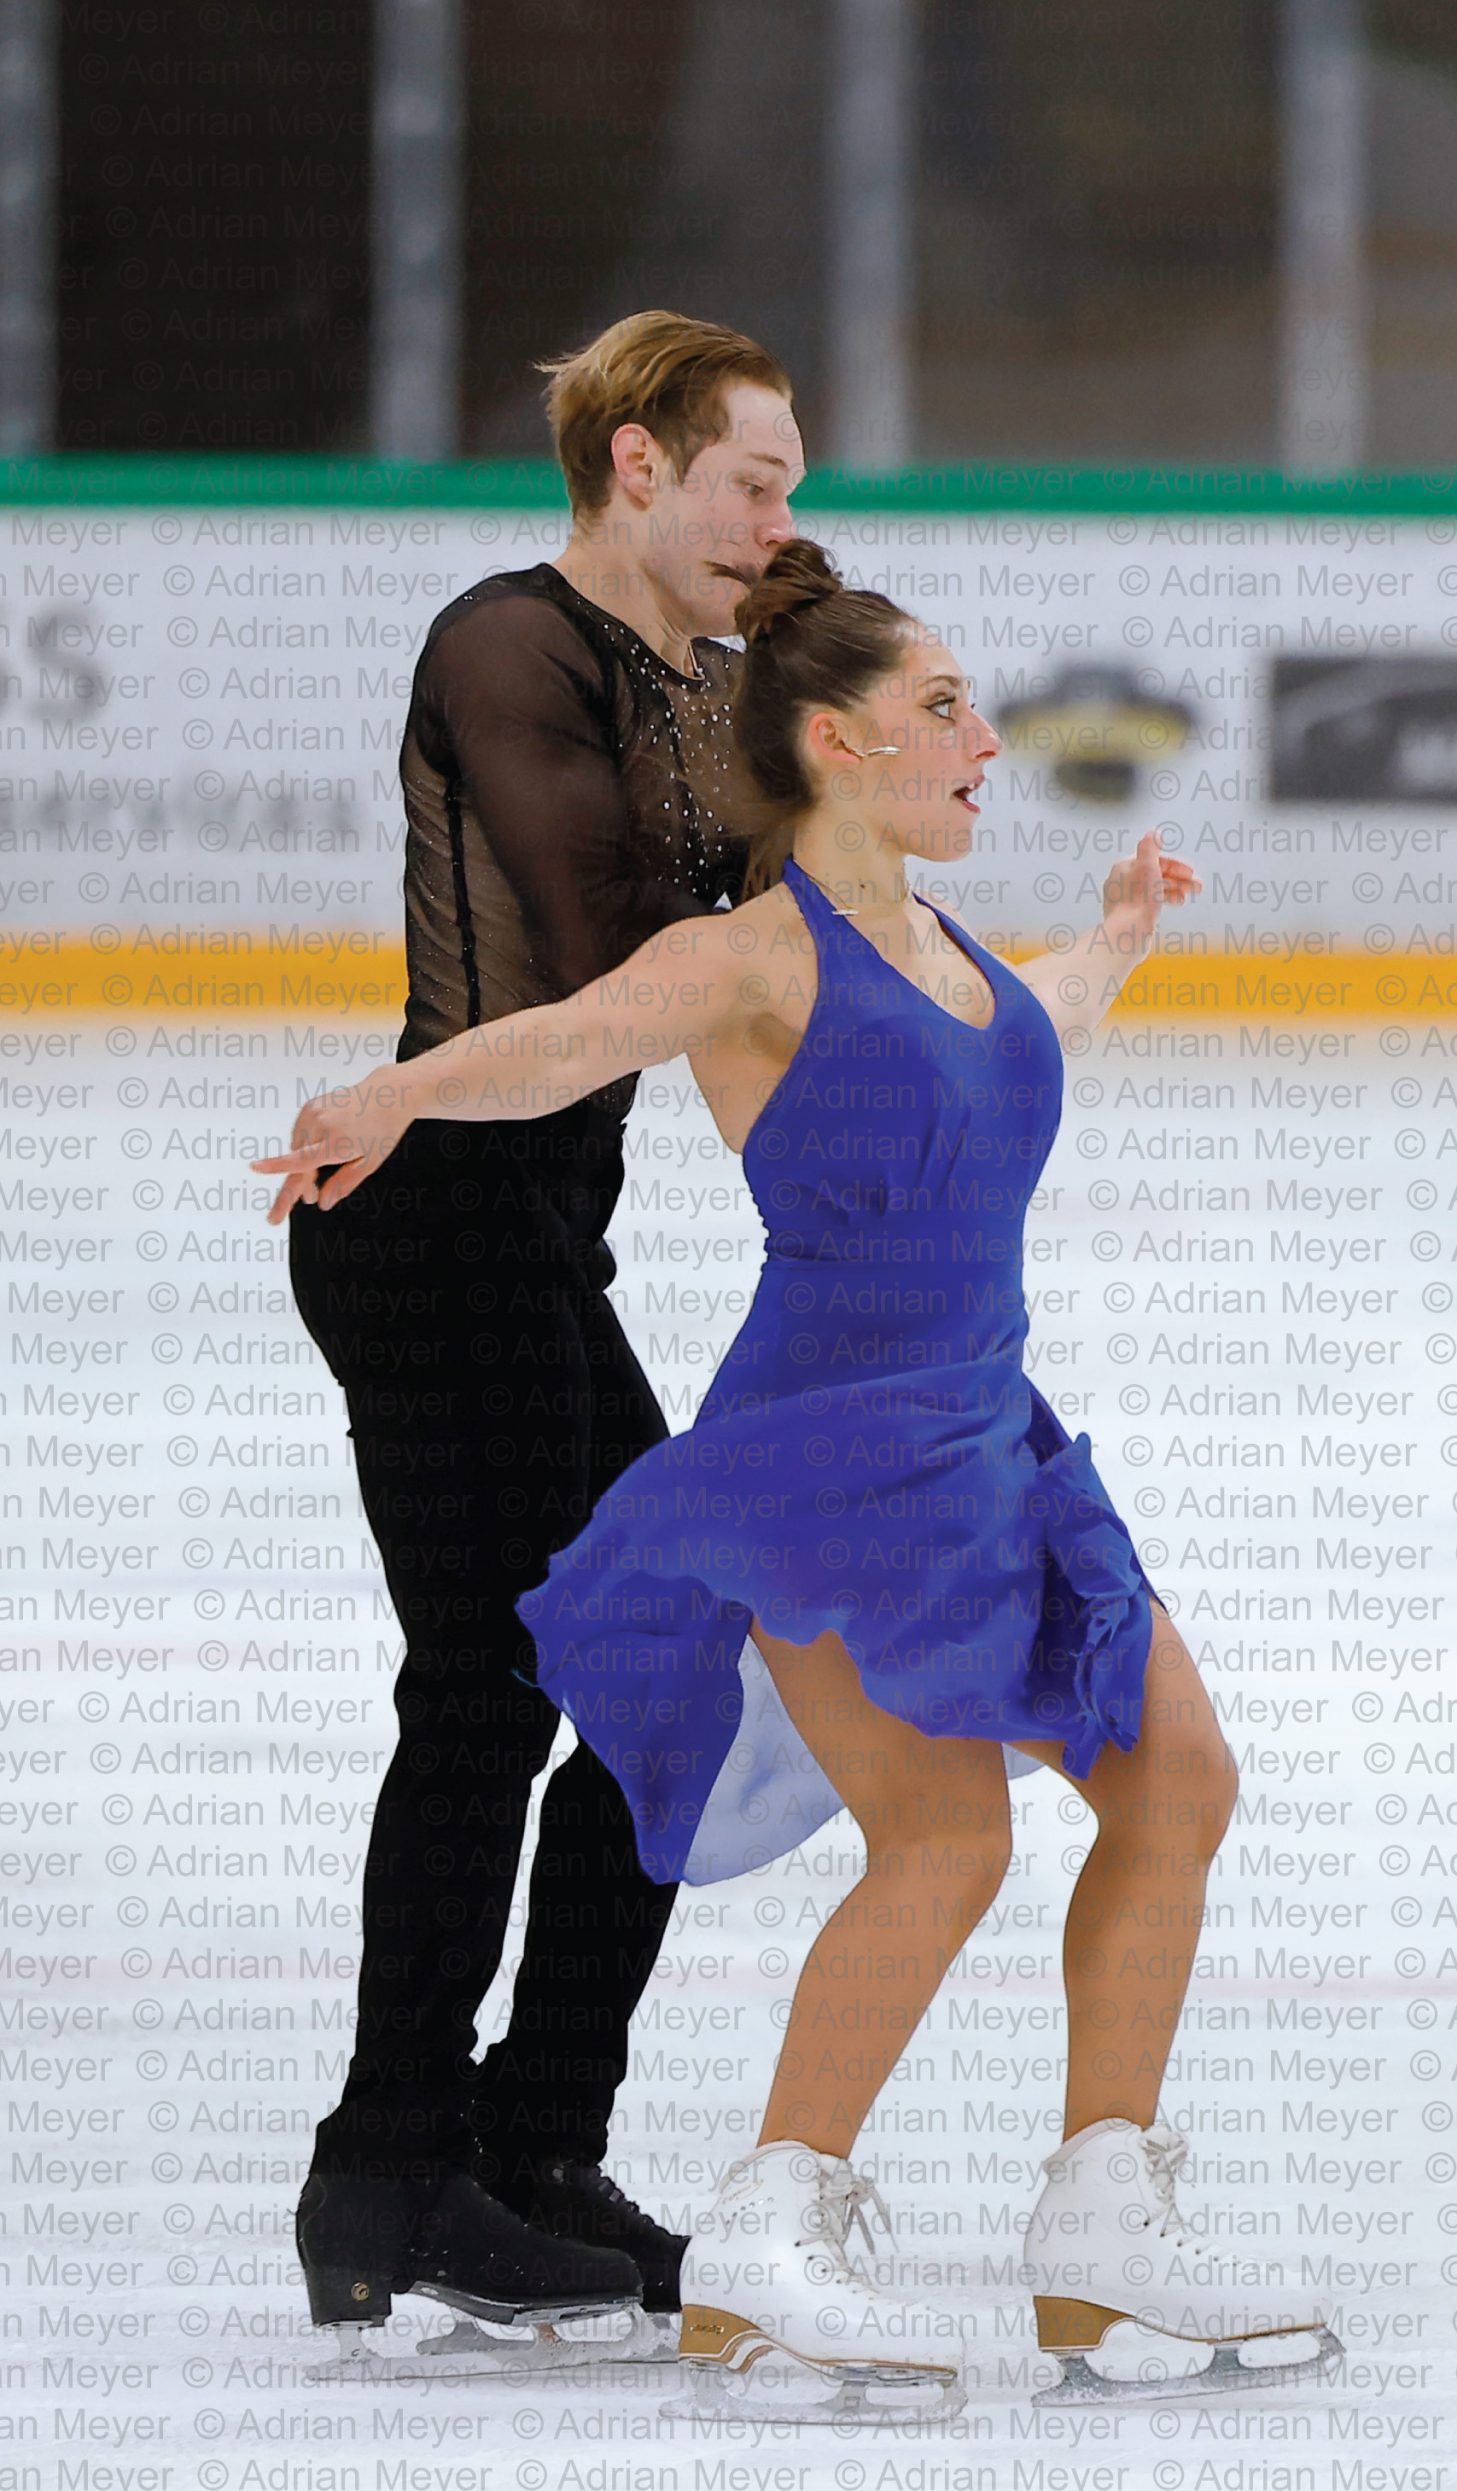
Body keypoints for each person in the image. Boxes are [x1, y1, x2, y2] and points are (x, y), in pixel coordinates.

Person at [256, 539, 1343, 2413]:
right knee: (948, 1840)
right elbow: (566, 1041)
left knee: (1179, 1781)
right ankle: (769, 2235)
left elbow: (1024, 1039)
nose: (986, 741)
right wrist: (397, 1095)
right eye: (946, 709)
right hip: (835, 1460)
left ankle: (1101, 2223)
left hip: (994, 1438)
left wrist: (1116, 940)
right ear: (839, 741)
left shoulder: (953, 951)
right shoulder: (758, 952)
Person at [280, 310, 805, 2358]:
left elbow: (809, 914)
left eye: (791, 492)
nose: (778, 525)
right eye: (751, 483)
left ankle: (529, 2138)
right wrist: (792, 817)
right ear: (639, 467)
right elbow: (612, 941)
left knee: (674, 1667)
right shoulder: (506, 644)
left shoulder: (717, 682)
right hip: (428, 1229)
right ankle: (394, 2164)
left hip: (536, 1240)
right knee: (490, 1689)